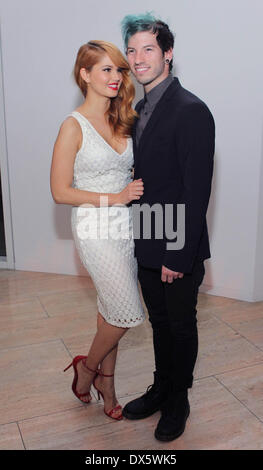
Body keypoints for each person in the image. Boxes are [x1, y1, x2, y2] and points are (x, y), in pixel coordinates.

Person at [121, 14, 215, 441]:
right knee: (159, 323)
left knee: (180, 324)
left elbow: (196, 194)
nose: (138, 59)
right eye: (132, 50)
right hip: (146, 238)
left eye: (148, 49)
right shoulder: (138, 109)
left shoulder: (191, 110)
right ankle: (161, 387)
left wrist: (177, 253)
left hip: (177, 244)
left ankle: (179, 399)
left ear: (168, 54)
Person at [50, 40, 145, 421]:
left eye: (119, 70)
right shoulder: (72, 126)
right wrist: (116, 196)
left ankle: (108, 382)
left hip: (126, 227)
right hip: (93, 226)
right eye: (106, 69)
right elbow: (60, 192)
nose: (116, 77)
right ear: (84, 74)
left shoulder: (125, 118)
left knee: (109, 309)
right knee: (126, 311)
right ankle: (87, 369)